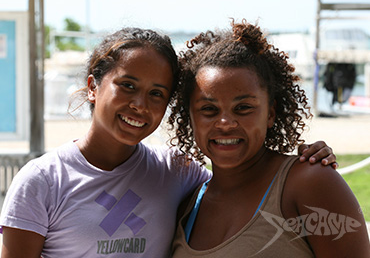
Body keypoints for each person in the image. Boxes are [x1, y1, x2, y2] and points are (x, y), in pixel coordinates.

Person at [0, 27, 336, 258]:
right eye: (127, 85)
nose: (140, 104)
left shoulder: (176, 171)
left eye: (156, 93)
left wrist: (310, 162)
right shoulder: (42, 180)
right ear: (93, 86)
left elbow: (244, 183)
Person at [170, 20, 370, 257]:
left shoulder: (310, 183)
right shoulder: (188, 205)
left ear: (271, 113)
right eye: (208, 109)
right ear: (189, 117)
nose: (225, 123)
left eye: (243, 107)